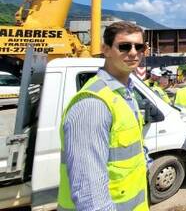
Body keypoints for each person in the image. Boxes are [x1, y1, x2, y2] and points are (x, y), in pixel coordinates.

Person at [58, 21, 149, 210]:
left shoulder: (124, 94)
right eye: (124, 46)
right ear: (105, 50)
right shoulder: (93, 105)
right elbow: (90, 196)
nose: (133, 52)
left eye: (139, 47)